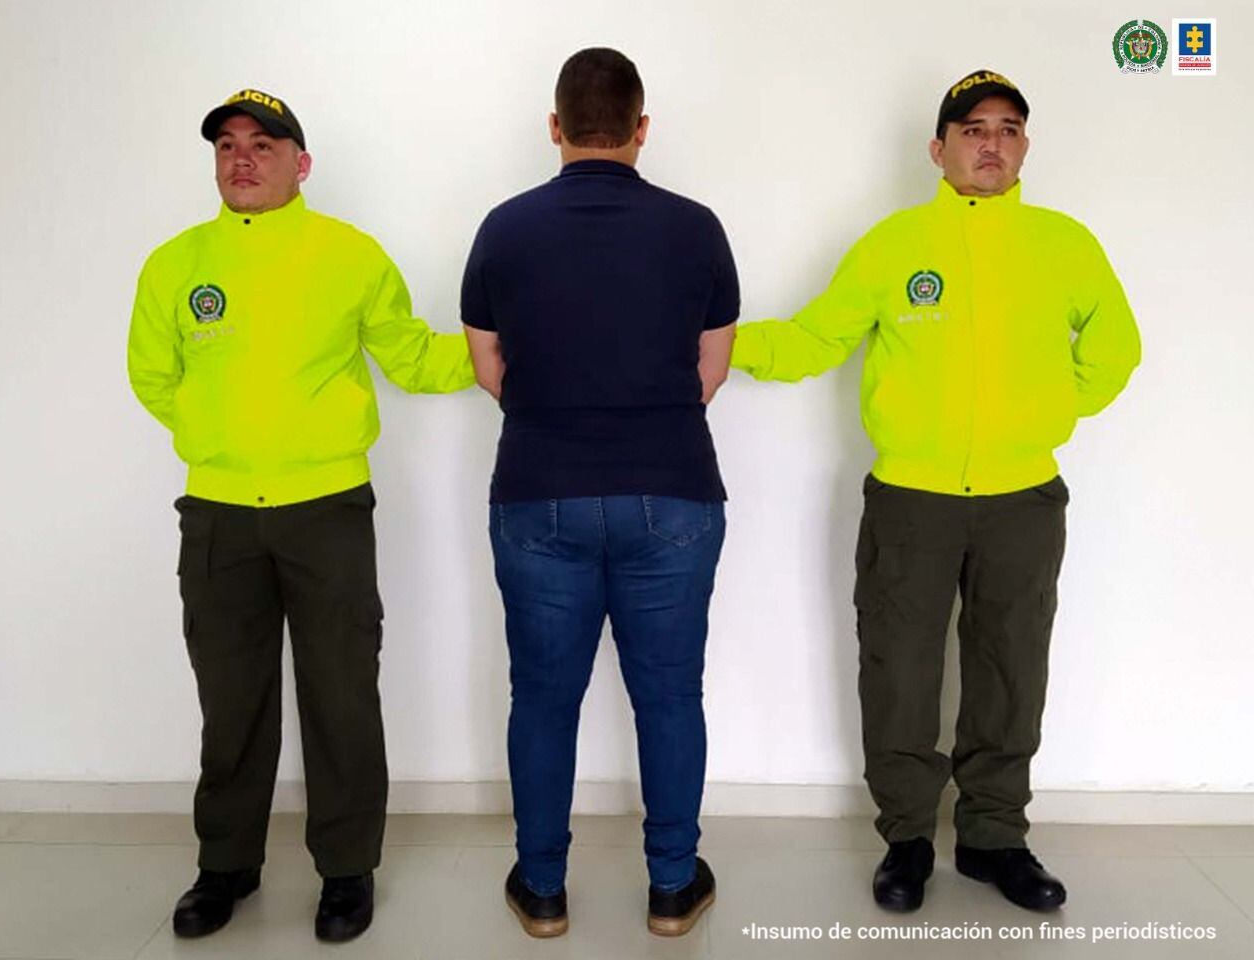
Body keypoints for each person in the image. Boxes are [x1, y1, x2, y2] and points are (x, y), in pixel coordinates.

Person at [731, 69, 1140, 913]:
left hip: (1023, 498)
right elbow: (816, 338)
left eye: (1008, 128)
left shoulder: (1065, 244)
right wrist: (719, 343)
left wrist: (1041, 413)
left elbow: (1116, 351)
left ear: (1024, 145)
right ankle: (908, 841)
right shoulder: (893, 244)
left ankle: (995, 839)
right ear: (939, 147)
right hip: (910, 500)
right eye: (973, 129)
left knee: (1010, 667)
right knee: (900, 673)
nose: (991, 143)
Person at [127, 88, 474, 942]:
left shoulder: (350, 256)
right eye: (228, 146)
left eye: (264, 145)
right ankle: (226, 865)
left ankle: (347, 870)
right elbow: (152, 377)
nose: (242, 158)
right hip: (217, 515)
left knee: (342, 695)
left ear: (300, 163)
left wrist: (508, 346)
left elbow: (414, 357)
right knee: (231, 699)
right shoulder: (176, 264)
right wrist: (223, 438)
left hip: (327, 511)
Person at [461, 48, 738, 938]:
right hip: (674, 494)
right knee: (669, 694)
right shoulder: (697, 228)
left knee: (542, 696)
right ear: (641, 128)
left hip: (539, 490)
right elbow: (711, 367)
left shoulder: (503, 228)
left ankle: (542, 888)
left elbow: (487, 365)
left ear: (555, 127)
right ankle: (669, 887)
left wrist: (556, 412)